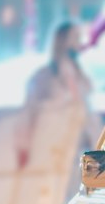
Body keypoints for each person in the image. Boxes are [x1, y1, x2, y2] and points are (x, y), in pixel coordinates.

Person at [15, 20, 94, 171]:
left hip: (79, 153)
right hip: (51, 152)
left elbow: (88, 115)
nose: (79, 42)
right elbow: (29, 114)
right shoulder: (43, 77)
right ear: (63, 41)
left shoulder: (82, 78)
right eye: (75, 37)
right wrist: (24, 148)